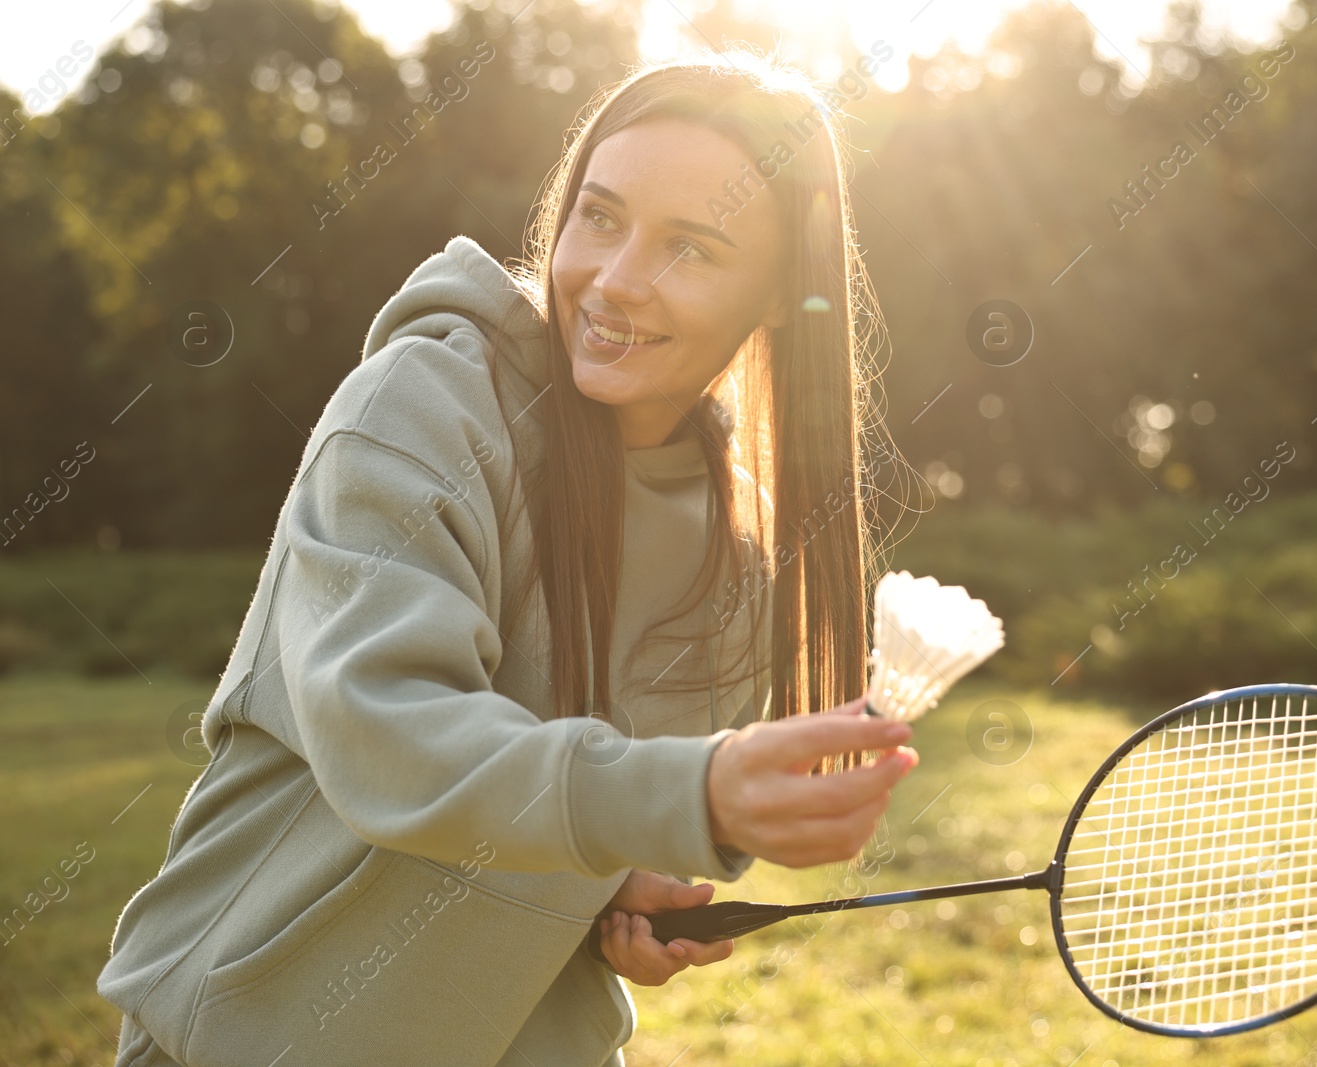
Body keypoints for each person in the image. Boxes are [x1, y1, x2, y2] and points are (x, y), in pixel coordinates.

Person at [97, 49, 916, 1067]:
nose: (614, 281)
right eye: (600, 217)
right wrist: (688, 795)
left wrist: (607, 889)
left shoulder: (736, 553)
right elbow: (386, 729)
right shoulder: (423, 405)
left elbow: (570, 803)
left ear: (774, 298)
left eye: (690, 249)